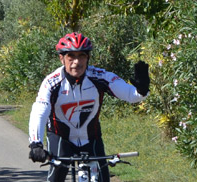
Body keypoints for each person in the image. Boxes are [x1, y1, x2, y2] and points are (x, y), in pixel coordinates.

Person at [27, 32, 150, 182]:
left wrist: (142, 90)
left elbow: (130, 95)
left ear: (88, 58)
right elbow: (40, 111)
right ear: (62, 58)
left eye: (82, 56)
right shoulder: (51, 83)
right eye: (71, 56)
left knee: (103, 178)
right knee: (57, 175)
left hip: (90, 137)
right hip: (61, 137)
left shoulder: (99, 76)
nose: (76, 62)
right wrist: (36, 143)